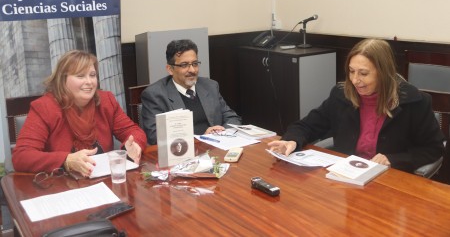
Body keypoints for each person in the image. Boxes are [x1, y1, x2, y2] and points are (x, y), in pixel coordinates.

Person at [269, 38, 444, 173]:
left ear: (383, 73)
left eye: (364, 73)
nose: (355, 80)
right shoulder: (341, 95)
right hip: (346, 177)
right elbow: (308, 125)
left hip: (391, 181)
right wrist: (291, 140)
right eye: (351, 71)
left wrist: (393, 159)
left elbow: (433, 149)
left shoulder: (414, 102)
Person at [12, 50, 147, 176]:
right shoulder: (45, 107)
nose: (89, 82)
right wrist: (66, 160)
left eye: (92, 75)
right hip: (63, 186)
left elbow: (133, 131)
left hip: (104, 181)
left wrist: (134, 145)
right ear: (63, 80)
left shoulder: (106, 101)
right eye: (80, 76)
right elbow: (21, 157)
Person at [141, 39, 242, 144]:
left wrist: (221, 132)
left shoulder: (210, 86)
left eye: (195, 64)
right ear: (170, 69)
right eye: (184, 65)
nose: (192, 70)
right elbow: (155, 137)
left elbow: (232, 118)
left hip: (217, 147)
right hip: (183, 154)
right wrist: (202, 138)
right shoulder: (155, 95)